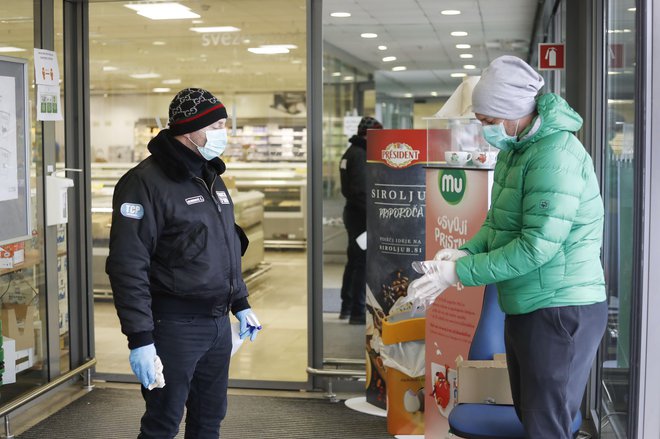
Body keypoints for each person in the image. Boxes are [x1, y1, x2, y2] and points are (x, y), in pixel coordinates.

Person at [416, 56, 607, 438]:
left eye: (487, 121)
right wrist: (466, 252)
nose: (484, 129)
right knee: (529, 413)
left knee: (545, 425)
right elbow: (498, 224)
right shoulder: (516, 151)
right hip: (526, 303)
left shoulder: (556, 156)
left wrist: (460, 273)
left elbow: (537, 247)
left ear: (512, 113)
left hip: (560, 309)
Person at [106, 87, 261, 439]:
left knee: (210, 419)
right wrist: (141, 338)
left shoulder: (211, 177)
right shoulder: (144, 183)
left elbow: (224, 244)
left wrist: (240, 302)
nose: (225, 132)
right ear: (191, 129)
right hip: (174, 327)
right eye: (219, 124)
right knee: (163, 422)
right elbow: (128, 265)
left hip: (218, 326)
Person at [338, 116, 383, 324]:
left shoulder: (351, 152)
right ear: (369, 134)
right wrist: (376, 217)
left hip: (354, 215)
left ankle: (347, 306)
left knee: (354, 261)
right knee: (361, 263)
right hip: (361, 218)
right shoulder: (360, 155)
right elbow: (361, 192)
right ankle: (357, 311)